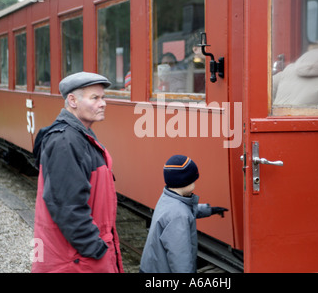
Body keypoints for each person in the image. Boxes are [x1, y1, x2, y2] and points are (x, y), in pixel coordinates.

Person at [31, 71, 124, 273]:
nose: (103, 103)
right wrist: (95, 247)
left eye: (103, 97)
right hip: (75, 260)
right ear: (72, 100)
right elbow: (66, 205)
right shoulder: (65, 141)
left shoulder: (80, 135)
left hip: (79, 257)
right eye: (95, 98)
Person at [139, 155, 228, 273]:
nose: (195, 183)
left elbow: (186, 210)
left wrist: (210, 210)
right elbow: (180, 259)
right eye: (193, 180)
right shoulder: (178, 215)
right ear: (184, 181)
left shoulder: (168, 198)